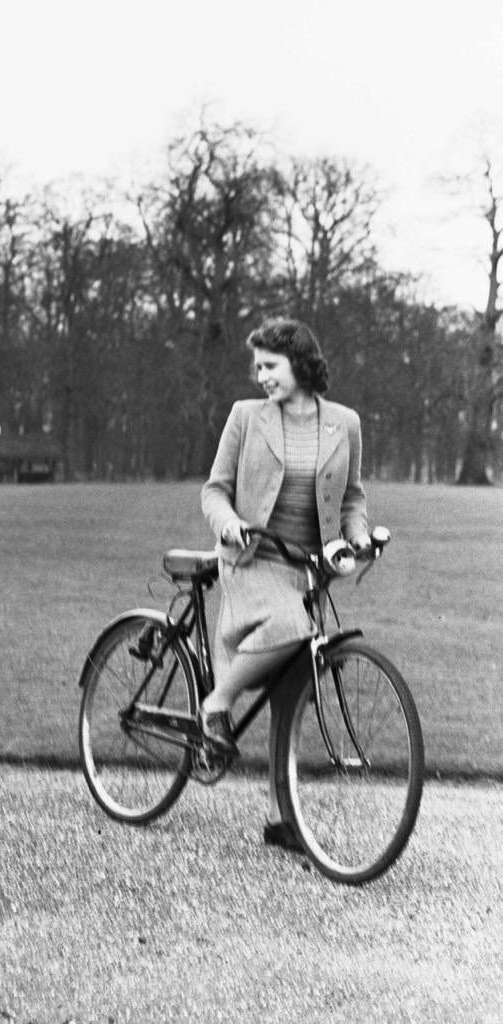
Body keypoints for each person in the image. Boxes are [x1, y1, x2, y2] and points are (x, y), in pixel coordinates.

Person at [199, 318, 370, 852]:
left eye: (270, 365)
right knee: (293, 626)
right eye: (258, 367)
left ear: (300, 362)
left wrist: (359, 537)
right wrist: (229, 522)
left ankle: (280, 818)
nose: (261, 376)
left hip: (308, 570)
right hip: (252, 560)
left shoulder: (344, 423)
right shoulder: (246, 417)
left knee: (292, 693)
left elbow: (352, 497)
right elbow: (214, 490)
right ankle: (216, 703)